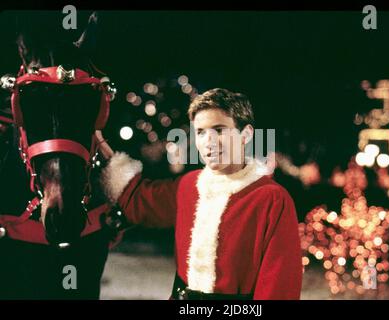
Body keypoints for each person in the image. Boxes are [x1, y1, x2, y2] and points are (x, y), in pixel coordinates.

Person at [98, 88, 302, 299]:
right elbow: (141, 200)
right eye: (201, 132)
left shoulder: (271, 198)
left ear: (246, 134)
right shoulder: (189, 184)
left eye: (220, 129)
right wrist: (106, 154)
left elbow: (280, 285)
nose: (209, 141)